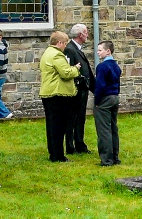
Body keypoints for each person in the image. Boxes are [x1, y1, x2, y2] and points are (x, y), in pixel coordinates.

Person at [39, 31, 81, 162]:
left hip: (48, 92)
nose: (65, 47)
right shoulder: (57, 54)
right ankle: (58, 155)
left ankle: (53, 152)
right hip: (57, 93)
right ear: (59, 43)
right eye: (65, 44)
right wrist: (76, 68)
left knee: (51, 125)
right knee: (59, 125)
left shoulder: (47, 52)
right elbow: (65, 73)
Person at [64, 23, 95, 155]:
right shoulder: (70, 49)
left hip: (83, 89)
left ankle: (80, 143)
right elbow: (69, 70)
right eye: (86, 32)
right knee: (73, 118)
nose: (88, 35)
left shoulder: (78, 49)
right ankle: (71, 146)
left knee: (80, 118)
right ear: (80, 34)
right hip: (75, 90)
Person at [93, 40, 122, 166]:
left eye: (100, 50)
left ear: (108, 51)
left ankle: (106, 160)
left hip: (104, 99)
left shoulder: (102, 66)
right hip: (114, 97)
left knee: (103, 130)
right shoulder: (116, 66)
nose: (98, 52)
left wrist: (97, 101)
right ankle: (115, 157)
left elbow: (99, 86)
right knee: (113, 128)